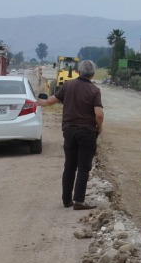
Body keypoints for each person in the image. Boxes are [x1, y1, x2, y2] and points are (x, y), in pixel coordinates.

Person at [41, 59, 104, 209]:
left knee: (69, 165)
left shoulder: (68, 85)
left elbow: (51, 101)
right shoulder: (94, 90)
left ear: (78, 72)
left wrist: (38, 102)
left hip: (69, 131)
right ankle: (79, 201)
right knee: (83, 167)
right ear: (93, 74)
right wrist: (99, 128)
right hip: (87, 132)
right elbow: (99, 114)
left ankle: (66, 200)